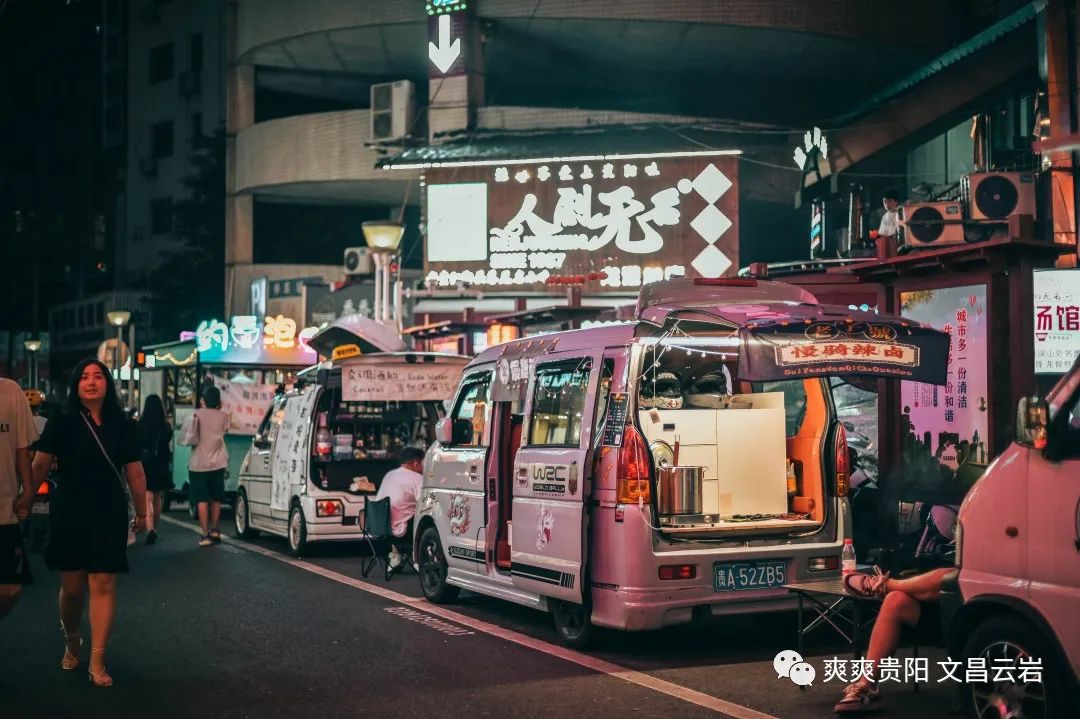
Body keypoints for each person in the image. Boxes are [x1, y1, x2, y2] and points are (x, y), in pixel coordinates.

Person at [30, 359, 147, 687]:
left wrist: (142, 512)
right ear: (76, 385)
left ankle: (97, 658)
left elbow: (134, 471)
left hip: (108, 510)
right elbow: (40, 464)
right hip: (70, 509)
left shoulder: (122, 424)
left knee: (104, 584)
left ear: (108, 384)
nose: (91, 382)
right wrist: (25, 499)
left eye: (98, 376)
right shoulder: (62, 420)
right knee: (73, 588)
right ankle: (72, 639)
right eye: (84, 377)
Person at [834, 567, 954, 714]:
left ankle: (884, 586)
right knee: (895, 600)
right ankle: (867, 685)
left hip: (976, 611)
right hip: (946, 611)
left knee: (950, 577)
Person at [1, 378, 39, 621]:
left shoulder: (11, 391)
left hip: (4, 510)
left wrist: (28, 489)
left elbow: (21, 448)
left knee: (10, 589)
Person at [180, 385, 229, 547]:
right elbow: (226, 430)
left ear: (203, 400)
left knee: (201, 499)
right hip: (218, 462)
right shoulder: (224, 416)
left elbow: (186, 438)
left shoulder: (195, 414)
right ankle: (215, 530)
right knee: (216, 498)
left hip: (198, 463)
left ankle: (205, 533)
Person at [374, 447, 425, 573]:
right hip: (401, 530)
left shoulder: (390, 475)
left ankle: (396, 554)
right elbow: (424, 504)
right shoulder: (418, 479)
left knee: (406, 512)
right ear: (416, 463)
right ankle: (419, 559)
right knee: (425, 517)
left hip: (378, 526)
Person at [138, 394, 172, 545]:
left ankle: (150, 528)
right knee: (158, 497)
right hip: (161, 464)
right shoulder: (165, 426)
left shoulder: (142, 424)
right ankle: (155, 527)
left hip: (146, 463)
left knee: (148, 497)